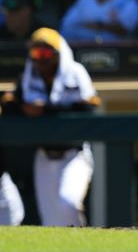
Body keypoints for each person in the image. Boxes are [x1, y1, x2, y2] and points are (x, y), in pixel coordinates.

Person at [7, 28, 98, 226]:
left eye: (46, 54)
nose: (41, 60)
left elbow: (89, 107)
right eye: (36, 54)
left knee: (69, 203)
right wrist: (24, 107)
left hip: (73, 153)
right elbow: (10, 104)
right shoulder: (27, 78)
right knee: (51, 220)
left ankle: (83, 249)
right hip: (43, 156)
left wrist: (46, 109)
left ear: (58, 55)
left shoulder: (75, 74)